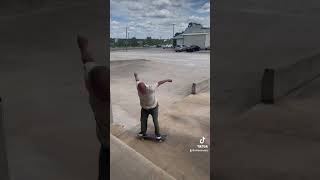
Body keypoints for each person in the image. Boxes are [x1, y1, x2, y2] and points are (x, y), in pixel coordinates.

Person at [77, 35, 109, 180]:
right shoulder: (91, 79)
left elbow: (87, 59)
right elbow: (88, 59)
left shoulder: (91, 79)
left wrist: (83, 45)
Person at [134, 72, 172, 139]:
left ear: (145, 87)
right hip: (144, 108)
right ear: (139, 89)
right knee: (143, 120)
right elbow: (137, 80)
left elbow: (159, 82)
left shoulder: (151, 88)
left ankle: (158, 134)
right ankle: (143, 132)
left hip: (154, 107)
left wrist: (167, 80)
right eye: (141, 91)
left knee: (155, 120)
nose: (143, 92)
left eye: (144, 91)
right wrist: (136, 75)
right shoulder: (138, 86)